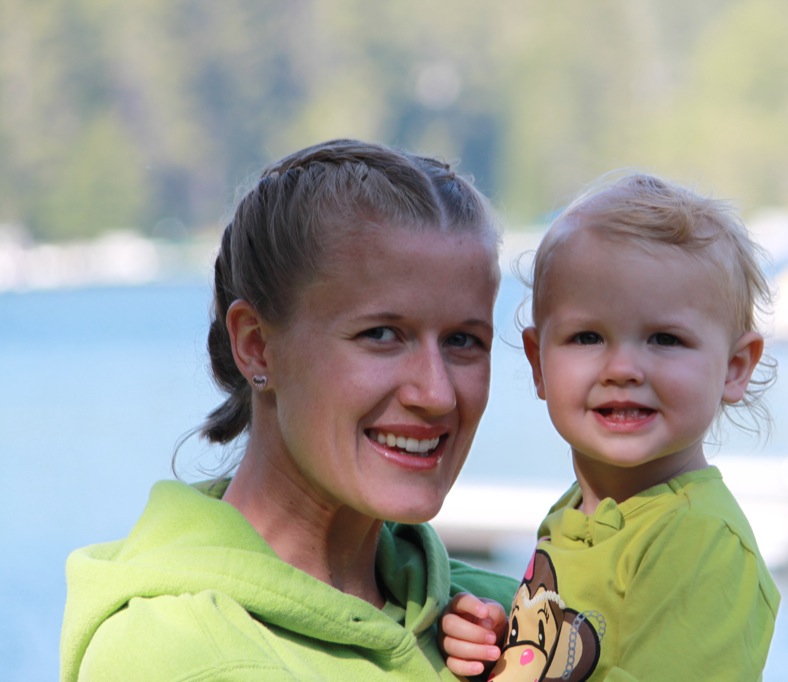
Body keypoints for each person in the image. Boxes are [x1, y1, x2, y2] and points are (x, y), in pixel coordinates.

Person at [60, 138, 519, 681]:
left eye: (463, 341)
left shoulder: (509, 620)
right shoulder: (175, 655)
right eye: (381, 334)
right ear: (256, 345)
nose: (437, 393)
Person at [441, 172, 781, 681]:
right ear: (538, 363)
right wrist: (501, 644)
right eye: (587, 337)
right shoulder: (576, 509)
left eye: (665, 339)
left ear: (735, 367)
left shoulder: (701, 540)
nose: (622, 368)